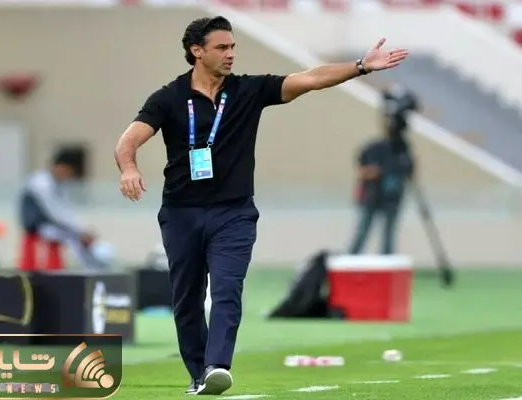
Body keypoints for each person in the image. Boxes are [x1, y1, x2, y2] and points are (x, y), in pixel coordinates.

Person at [114, 16, 408, 396]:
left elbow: (310, 78)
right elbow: (128, 141)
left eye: (233, 46)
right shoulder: (168, 98)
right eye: (222, 47)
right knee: (186, 300)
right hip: (181, 213)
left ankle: (217, 366)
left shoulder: (248, 90)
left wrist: (361, 66)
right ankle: (199, 373)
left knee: (227, 289)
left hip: (233, 213)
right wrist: (129, 169)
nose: (231, 54)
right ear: (196, 51)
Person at [19, 150, 111, 270]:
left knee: (78, 237)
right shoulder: (40, 183)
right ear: (60, 167)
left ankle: (92, 267)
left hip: (53, 225)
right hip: (39, 227)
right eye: (68, 172)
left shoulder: (61, 184)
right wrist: (79, 231)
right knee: (73, 237)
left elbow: (67, 210)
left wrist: (82, 230)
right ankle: (88, 267)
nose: (68, 176)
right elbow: (55, 212)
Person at [347, 111, 416, 255]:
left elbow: (409, 172)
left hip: (392, 198)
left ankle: (387, 258)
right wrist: (374, 173)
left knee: (389, 232)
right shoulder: (374, 148)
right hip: (372, 195)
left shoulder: (402, 150)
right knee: (363, 229)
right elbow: (363, 170)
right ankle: (352, 257)